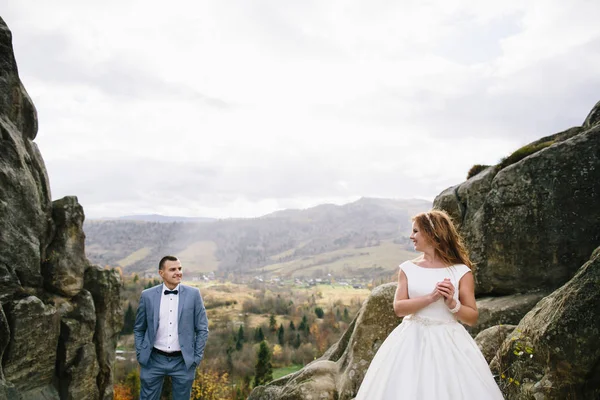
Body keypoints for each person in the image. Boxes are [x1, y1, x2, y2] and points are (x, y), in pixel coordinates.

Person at [355, 210, 503, 399]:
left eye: (416, 231)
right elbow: (399, 308)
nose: (411, 236)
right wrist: (430, 298)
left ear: (432, 234)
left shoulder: (461, 271)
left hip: (450, 342)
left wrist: (452, 303)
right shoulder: (408, 269)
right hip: (411, 341)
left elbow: (472, 317)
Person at [134, 255, 209, 400]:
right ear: (161, 273)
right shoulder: (147, 296)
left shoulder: (194, 295)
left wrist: (196, 358)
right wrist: (140, 353)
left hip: (183, 361)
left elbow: (202, 329)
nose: (178, 272)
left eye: (180, 268)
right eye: (173, 269)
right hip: (152, 359)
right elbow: (139, 328)